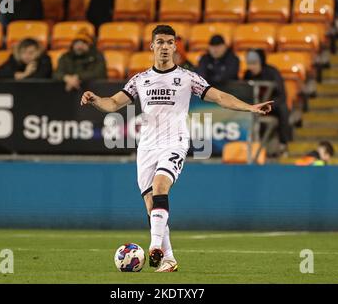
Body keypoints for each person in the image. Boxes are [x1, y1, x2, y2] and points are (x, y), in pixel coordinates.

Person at [80, 25, 273, 272]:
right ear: (151, 46)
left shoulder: (187, 78)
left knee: (161, 186)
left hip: (175, 142)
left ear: (175, 47)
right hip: (147, 147)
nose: (164, 46)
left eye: (169, 42)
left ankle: (154, 248)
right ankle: (168, 259)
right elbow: (114, 103)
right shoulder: (139, 80)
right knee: (152, 205)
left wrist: (250, 107)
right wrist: (96, 100)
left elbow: (220, 97)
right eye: (159, 42)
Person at [243, 49, 292, 153]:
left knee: (283, 109)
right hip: (254, 106)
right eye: (249, 64)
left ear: (261, 62)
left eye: (254, 64)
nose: (252, 67)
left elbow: (282, 96)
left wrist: (267, 106)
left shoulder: (272, 73)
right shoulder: (247, 74)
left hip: (272, 106)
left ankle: (284, 143)